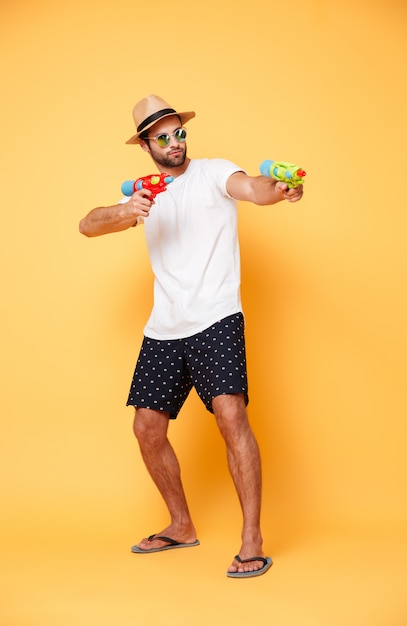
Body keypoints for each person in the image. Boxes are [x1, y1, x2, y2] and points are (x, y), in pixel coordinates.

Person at [79, 94, 304, 578]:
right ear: (145, 144)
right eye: (163, 136)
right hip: (165, 327)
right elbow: (88, 224)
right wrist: (129, 210)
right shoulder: (144, 190)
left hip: (217, 317)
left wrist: (279, 189)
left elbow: (251, 188)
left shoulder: (212, 172)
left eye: (179, 132)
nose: (175, 141)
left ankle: (252, 540)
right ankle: (181, 525)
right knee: (146, 429)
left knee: (230, 415)